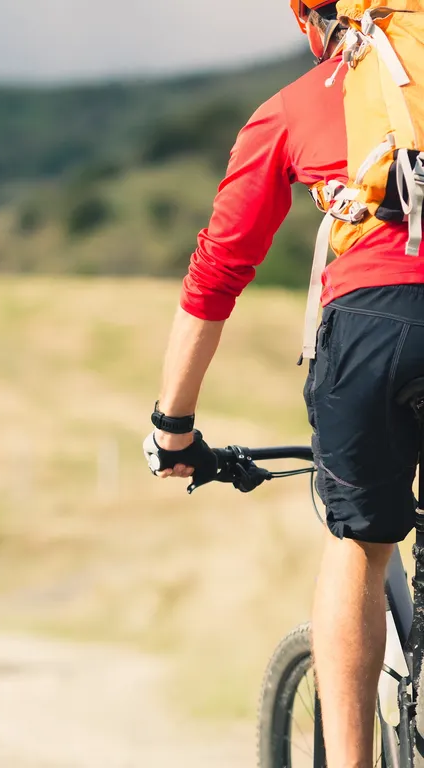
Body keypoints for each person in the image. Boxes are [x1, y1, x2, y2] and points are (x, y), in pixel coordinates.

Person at [144, 2, 424, 765]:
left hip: (376, 325)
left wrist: (175, 426)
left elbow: (218, 271)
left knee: (360, 544)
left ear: (314, 20)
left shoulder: (294, 108)